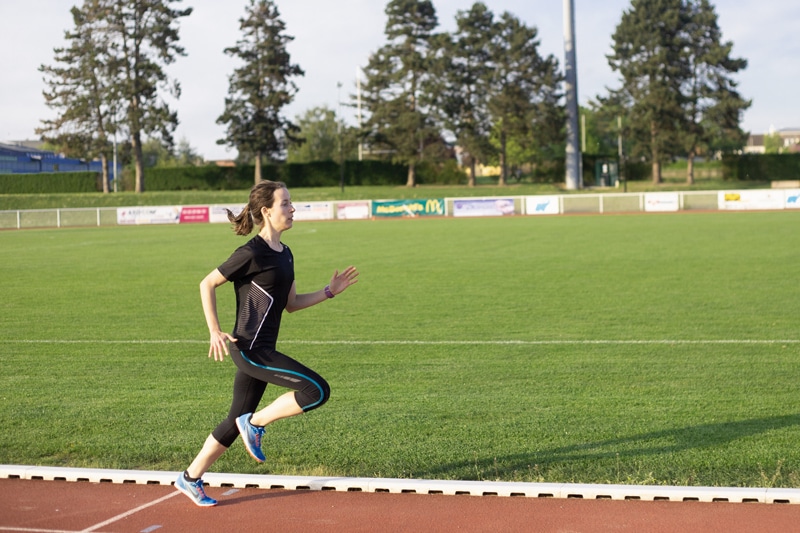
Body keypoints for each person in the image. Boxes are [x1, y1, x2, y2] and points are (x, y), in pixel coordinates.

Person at [175, 180, 359, 507]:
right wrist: (214, 330)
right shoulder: (251, 252)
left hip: (261, 350)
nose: (292, 208)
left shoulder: (285, 253)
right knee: (316, 391)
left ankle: (190, 477)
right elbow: (207, 283)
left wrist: (329, 292)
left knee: (234, 418)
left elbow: (292, 304)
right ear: (267, 211)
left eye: (291, 202)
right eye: (285, 203)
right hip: (250, 350)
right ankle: (256, 423)